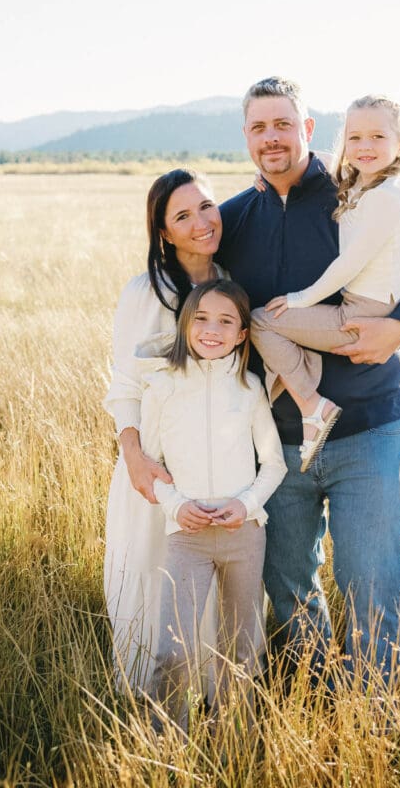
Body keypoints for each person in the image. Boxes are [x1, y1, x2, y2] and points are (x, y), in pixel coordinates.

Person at [217, 76, 400, 684]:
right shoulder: (231, 221)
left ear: (307, 130)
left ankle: (372, 720)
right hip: (276, 443)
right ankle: (318, 698)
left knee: (372, 581)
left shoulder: (356, 189)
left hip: (368, 429)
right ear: (245, 136)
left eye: (284, 125)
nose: (271, 138)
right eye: (258, 127)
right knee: (289, 589)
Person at [251, 94, 400, 471]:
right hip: (370, 304)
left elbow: (351, 265)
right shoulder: (360, 188)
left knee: (262, 320)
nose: (365, 147)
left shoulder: (386, 198)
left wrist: (300, 299)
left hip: (361, 315)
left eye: (378, 137)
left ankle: (313, 406)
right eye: (355, 137)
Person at [140, 280, 286, 731]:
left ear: (243, 334)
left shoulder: (250, 387)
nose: (211, 330)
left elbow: (275, 464)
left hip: (244, 534)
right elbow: (149, 466)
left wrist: (247, 505)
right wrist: (175, 504)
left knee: (241, 647)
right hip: (188, 536)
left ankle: (232, 737)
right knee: (173, 648)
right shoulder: (162, 385)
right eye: (201, 318)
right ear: (185, 324)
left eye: (226, 322)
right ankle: (164, 741)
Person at [102, 168, 227, 696]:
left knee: (217, 579)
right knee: (155, 569)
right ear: (163, 233)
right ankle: (149, 700)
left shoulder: (233, 280)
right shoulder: (147, 292)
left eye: (206, 206)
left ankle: (213, 692)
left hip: (223, 456)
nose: (200, 222)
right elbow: (124, 383)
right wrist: (133, 455)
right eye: (182, 215)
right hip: (158, 458)